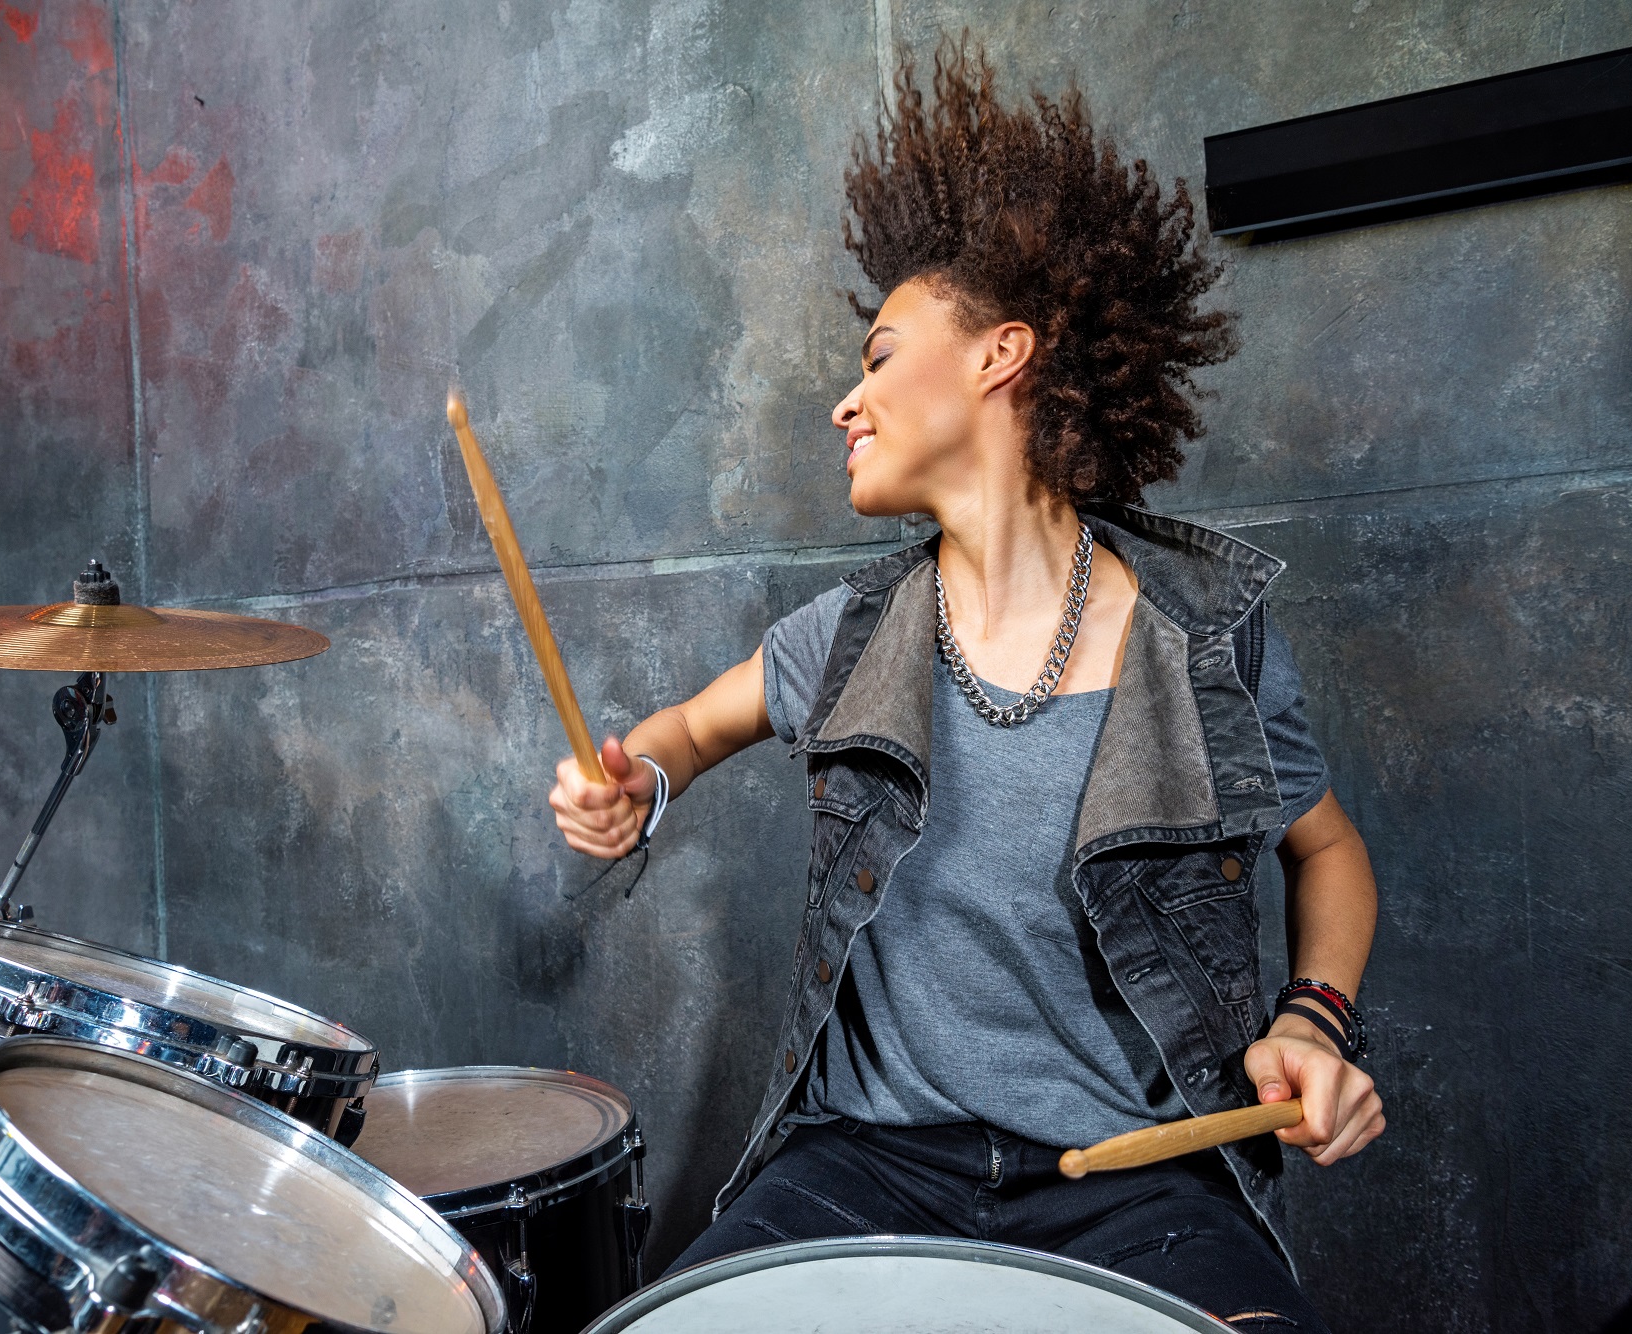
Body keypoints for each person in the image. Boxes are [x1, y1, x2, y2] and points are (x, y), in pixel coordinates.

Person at [547, 41, 1381, 1331]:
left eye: (880, 357)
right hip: (864, 1165)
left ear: (1001, 355)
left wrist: (1316, 1027)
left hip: (1139, 1185)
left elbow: (1329, 855)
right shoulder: (849, 635)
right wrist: (637, 783)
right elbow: (688, 732)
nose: (846, 400)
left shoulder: (1208, 642)